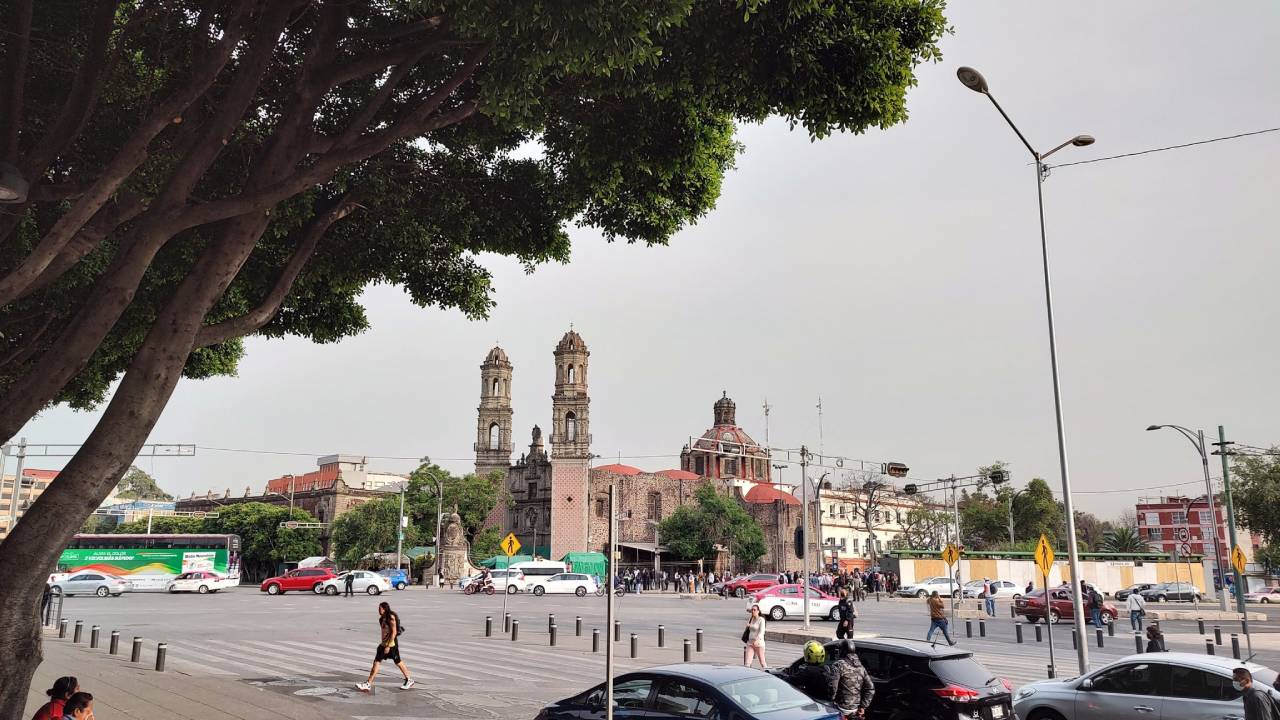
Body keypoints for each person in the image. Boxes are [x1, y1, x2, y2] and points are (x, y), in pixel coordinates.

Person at [356, 601, 415, 691]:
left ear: (384, 609)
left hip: (391, 644)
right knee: (376, 662)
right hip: (383, 644)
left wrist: (388, 646)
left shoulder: (391, 618)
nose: (378, 610)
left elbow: (394, 632)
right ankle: (368, 683)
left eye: (380, 609)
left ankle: (409, 679)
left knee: (398, 661)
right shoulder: (382, 618)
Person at [830, 640, 874, 719]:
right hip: (855, 709)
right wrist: (863, 706)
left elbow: (833, 687)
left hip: (840, 708)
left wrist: (830, 701)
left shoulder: (838, 665)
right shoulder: (861, 667)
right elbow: (871, 688)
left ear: (842, 651)